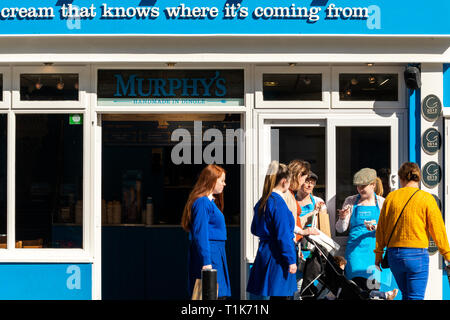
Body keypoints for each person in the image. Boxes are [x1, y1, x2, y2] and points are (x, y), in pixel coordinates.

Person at [375, 162, 450, 300]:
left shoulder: (391, 197)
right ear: (419, 178)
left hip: (394, 255)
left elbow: (381, 230)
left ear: (401, 178)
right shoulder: (427, 199)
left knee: (407, 295)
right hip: (417, 255)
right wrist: (447, 254)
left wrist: (379, 254)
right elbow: (438, 230)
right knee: (415, 296)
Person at [247, 161, 298, 299]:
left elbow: (254, 229)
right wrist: (291, 260)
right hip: (278, 255)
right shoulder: (278, 202)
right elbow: (283, 235)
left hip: (265, 251)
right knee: (282, 296)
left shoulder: (263, 201)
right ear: (284, 181)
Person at [181, 164, 231, 299]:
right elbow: (201, 234)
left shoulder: (209, 202)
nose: (224, 184)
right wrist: (206, 262)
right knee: (212, 296)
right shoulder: (203, 202)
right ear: (211, 180)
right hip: (211, 254)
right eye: (222, 180)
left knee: (217, 295)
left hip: (215, 253)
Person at [335, 168, 388, 292]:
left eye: (363, 186)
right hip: (355, 253)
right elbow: (341, 229)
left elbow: (389, 229)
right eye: (358, 186)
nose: (360, 189)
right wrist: (342, 218)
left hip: (375, 253)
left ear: (373, 185)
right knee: (354, 289)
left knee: (374, 290)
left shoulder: (381, 203)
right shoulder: (351, 201)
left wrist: (377, 228)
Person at [315, 256, 398, 300]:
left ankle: (382, 294)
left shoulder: (335, 280)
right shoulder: (332, 281)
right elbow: (328, 296)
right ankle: (385, 295)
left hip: (348, 292)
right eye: (342, 269)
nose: (343, 272)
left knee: (357, 283)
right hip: (345, 294)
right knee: (357, 287)